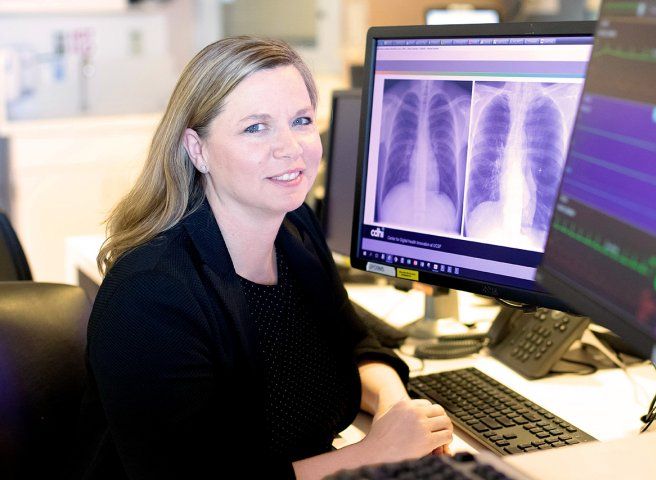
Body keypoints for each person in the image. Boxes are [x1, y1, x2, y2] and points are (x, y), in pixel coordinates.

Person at [76, 36, 453, 479]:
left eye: (301, 120)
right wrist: (377, 451)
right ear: (197, 149)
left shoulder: (296, 233)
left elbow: (354, 344)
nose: (290, 148)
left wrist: (395, 409)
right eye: (256, 127)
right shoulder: (152, 294)